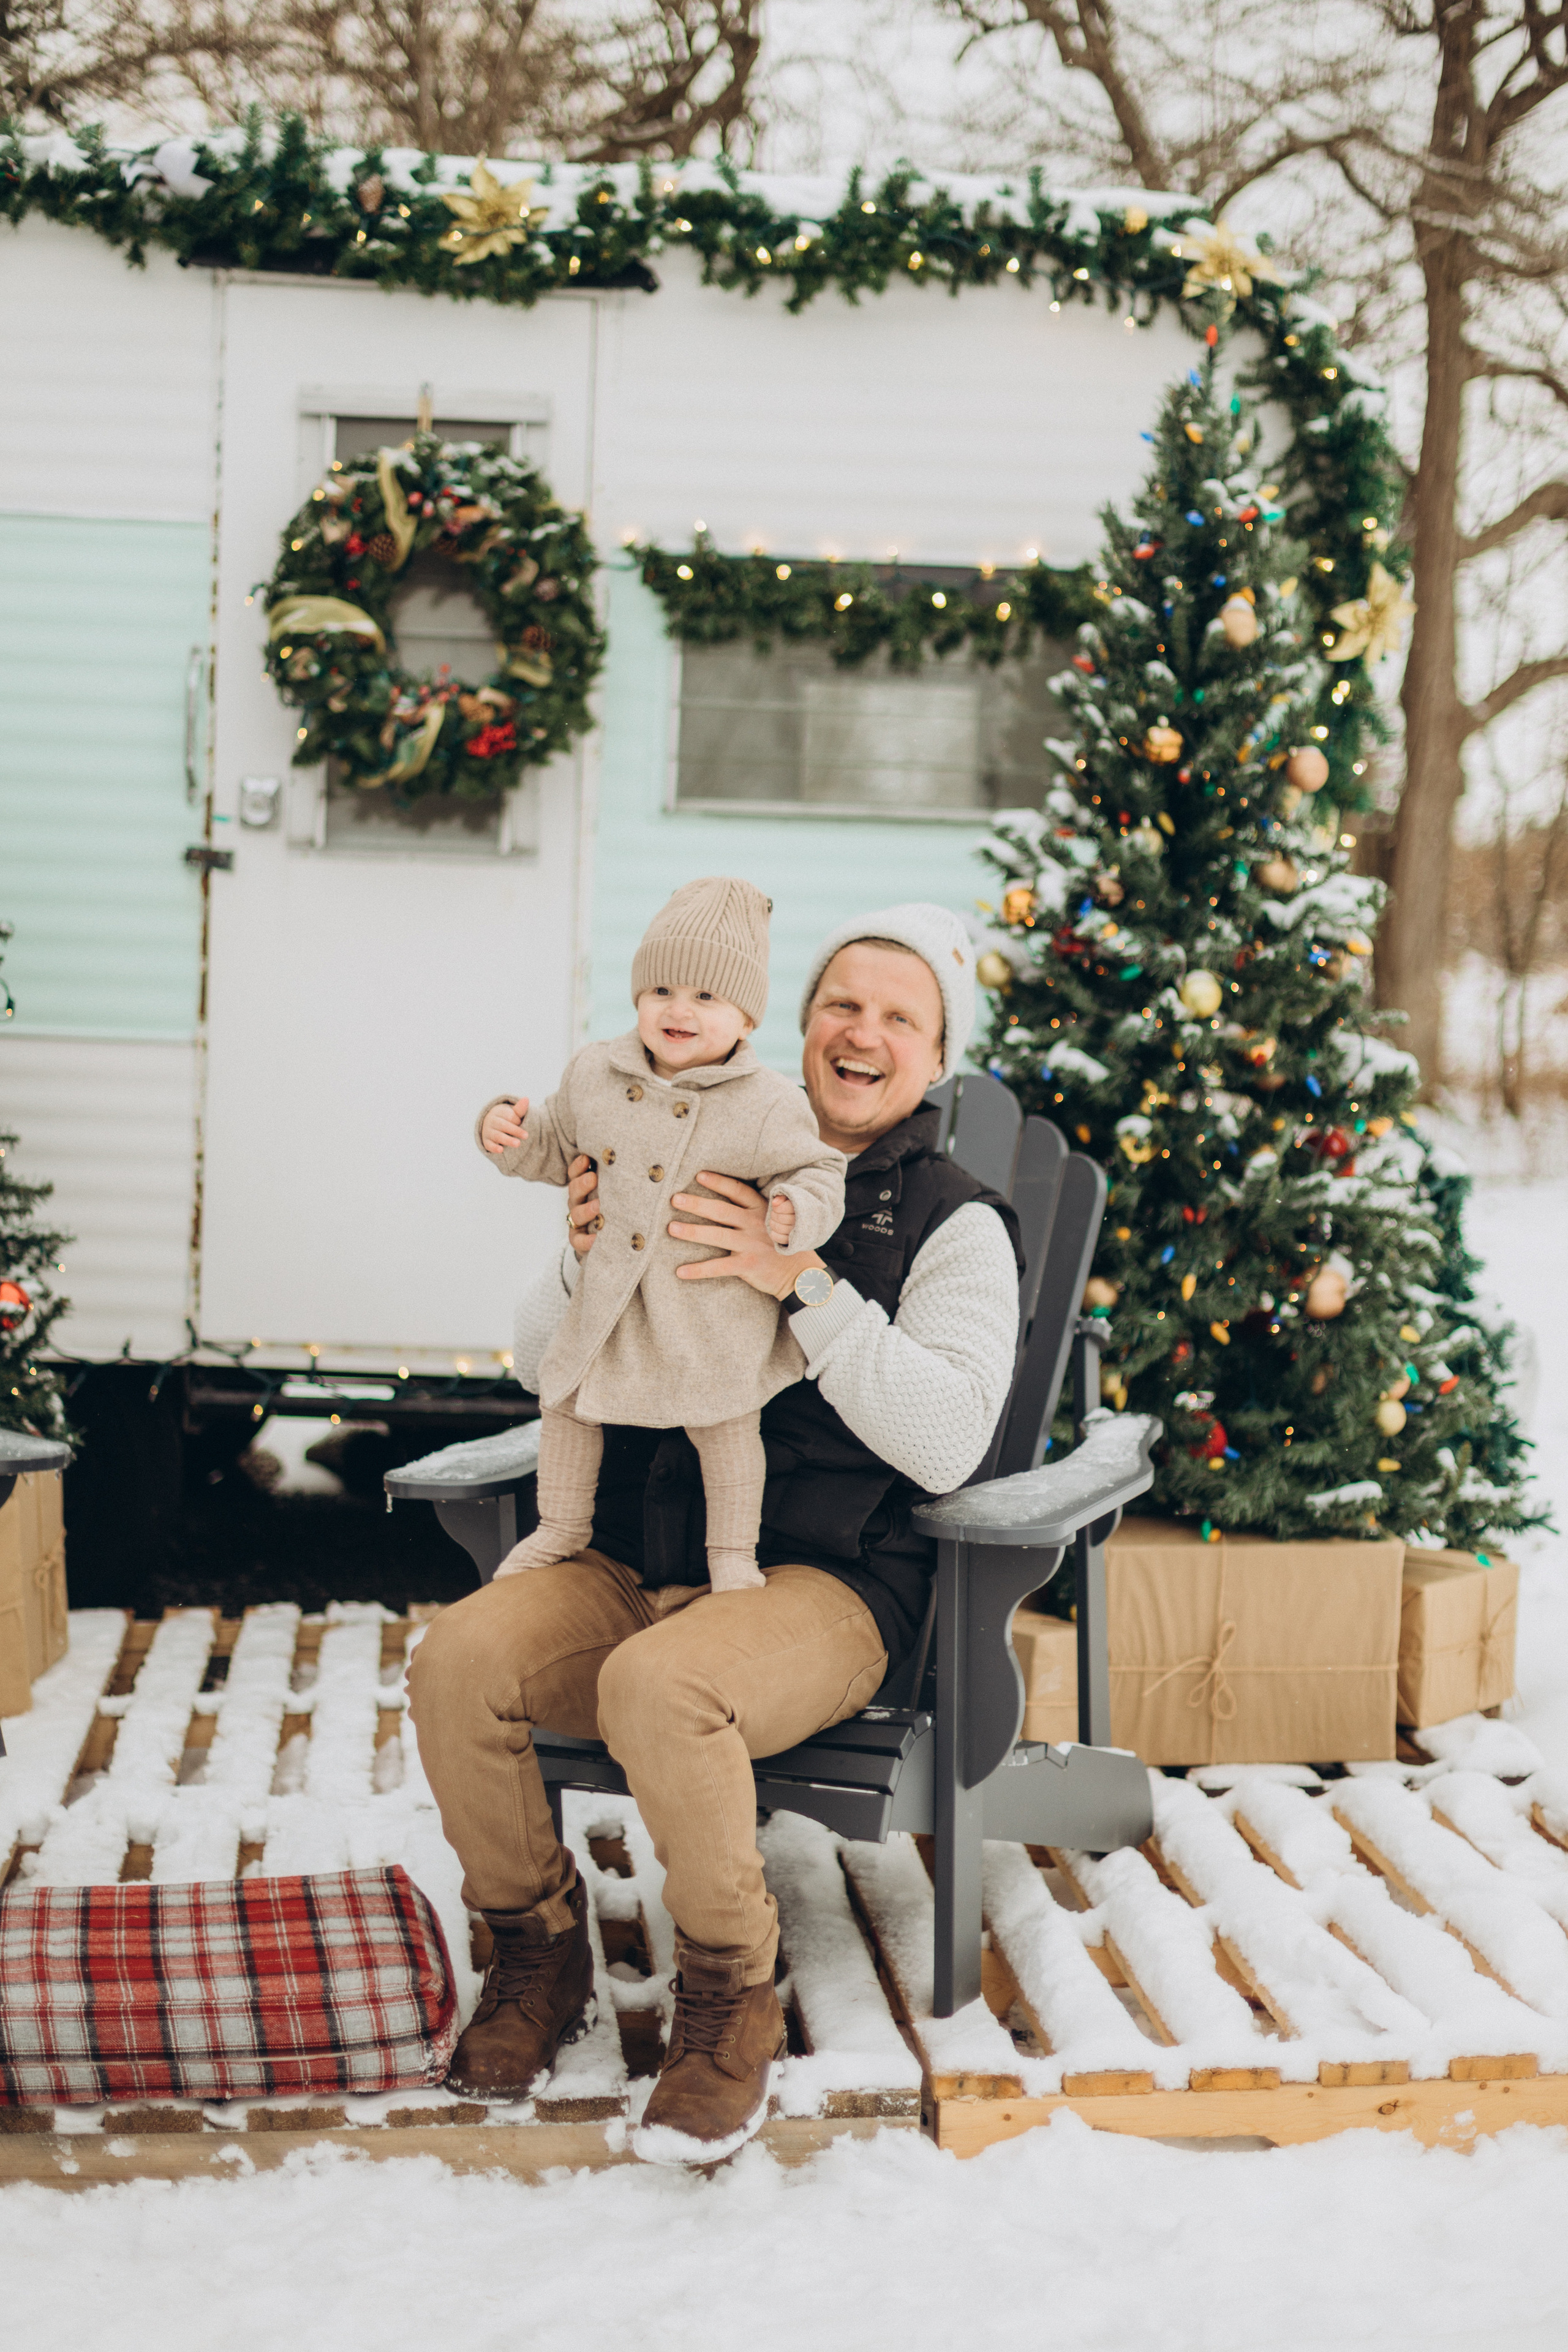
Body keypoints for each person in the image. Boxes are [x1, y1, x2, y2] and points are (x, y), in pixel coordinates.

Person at [409, 903, 1023, 2165]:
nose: (862, 1032)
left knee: (662, 1687)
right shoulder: (683, 1138)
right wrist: (583, 1257)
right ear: (795, 1030)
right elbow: (539, 1360)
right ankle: (533, 1957)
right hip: (634, 1550)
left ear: (938, 1058)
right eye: (840, 1005)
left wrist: (797, 1282)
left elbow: (951, 1439)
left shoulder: (952, 1222)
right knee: (455, 1661)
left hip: (830, 1584)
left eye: (898, 1017)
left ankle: (726, 1995)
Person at [475, 876, 846, 1594]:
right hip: (614, 1299)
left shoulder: (767, 1104)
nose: (679, 1010)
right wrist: (506, 1132)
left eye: (706, 997)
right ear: (639, 998)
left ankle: (732, 1554)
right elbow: (554, 1144)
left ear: (745, 1020)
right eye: (662, 991)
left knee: (727, 1425)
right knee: (567, 1403)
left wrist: (797, 1208)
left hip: (708, 1311)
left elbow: (818, 1169)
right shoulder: (595, 1073)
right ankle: (559, 1526)